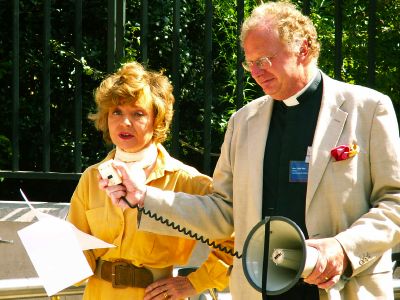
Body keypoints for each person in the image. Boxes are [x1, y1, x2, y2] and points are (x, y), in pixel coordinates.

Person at [105, 2, 400, 300]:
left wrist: (343, 248)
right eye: (250, 63)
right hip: (258, 291)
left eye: (266, 59)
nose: (256, 72)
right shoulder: (243, 122)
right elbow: (223, 210)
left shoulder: (369, 109)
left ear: (304, 48)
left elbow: (395, 202)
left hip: (341, 290)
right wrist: (144, 197)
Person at [67, 61, 233, 300]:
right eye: (117, 112)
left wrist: (194, 283)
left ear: (158, 119)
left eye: (138, 113)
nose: (125, 122)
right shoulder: (92, 178)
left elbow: (235, 236)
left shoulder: (186, 180)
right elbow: (77, 252)